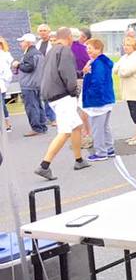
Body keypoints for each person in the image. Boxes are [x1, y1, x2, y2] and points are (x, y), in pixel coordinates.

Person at [34, 27, 91, 180]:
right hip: (63, 97)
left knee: (77, 126)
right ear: (69, 37)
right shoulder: (65, 50)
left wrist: (80, 72)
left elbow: (58, 72)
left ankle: (79, 160)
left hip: (51, 95)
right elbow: (68, 76)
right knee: (65, 131)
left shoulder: (51, 51)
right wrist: (74, 90)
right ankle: (44, 165)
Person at [81, 38, 115, 161]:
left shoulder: (98, 64)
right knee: (104, 126)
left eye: (90, 48)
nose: (88, 51)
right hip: (106, 99)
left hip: (98, 100)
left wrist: (90, 94)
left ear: (98, 49)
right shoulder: (101, 62)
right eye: (87, 49)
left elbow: (98, 82)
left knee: (97, 127)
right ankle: (109, 148)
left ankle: (101, 152)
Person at [13, 33, 47, 135]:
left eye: (22, 42)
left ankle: (36, 128)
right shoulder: (38, 53)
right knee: (38, 105)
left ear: (27, 43)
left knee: (31, 106)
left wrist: (18, 64)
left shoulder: (29, 54)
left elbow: (29, 67)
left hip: (29, 84)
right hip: (37, 83)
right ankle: (42, 126)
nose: (20, 44)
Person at [71, 28, 92, 149]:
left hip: (77, 79)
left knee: (79, 108)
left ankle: (84, 133)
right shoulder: (84, 49)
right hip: (83, 78)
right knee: (83, 107)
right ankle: (86, 132)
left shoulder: (73, 48)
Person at [35, 23, 57, 125]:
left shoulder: (53, 42)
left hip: (51, 71)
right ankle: (48, 116)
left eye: (45, 30)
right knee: (44, 95)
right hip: (41, 72)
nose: (43, 32)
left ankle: (53, 117)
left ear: (49, 31)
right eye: (41, 31)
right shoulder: (38, 44)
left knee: (51, 94)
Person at [0, 38, 13, 132]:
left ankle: (7, 124)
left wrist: (4, 82)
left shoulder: (5, 55)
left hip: (1, 83)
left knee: (2, 104)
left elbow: (7, 73)